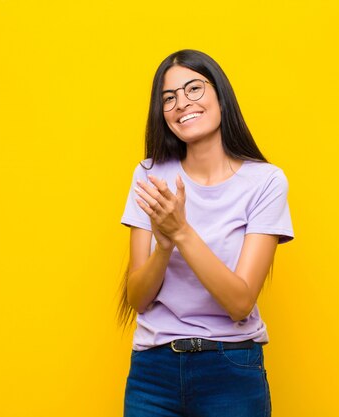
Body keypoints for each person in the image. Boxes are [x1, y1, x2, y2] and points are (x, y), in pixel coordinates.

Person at [118, 49, 294, 417]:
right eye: (169, 98)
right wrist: (163, 246)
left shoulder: (265, 182)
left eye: (194, 89)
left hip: (231, 369)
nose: (182, 103)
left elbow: (240, 302)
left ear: (220, 95)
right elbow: (137, 298)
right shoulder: (149, 175)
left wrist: (180, 232)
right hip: (153, 373)